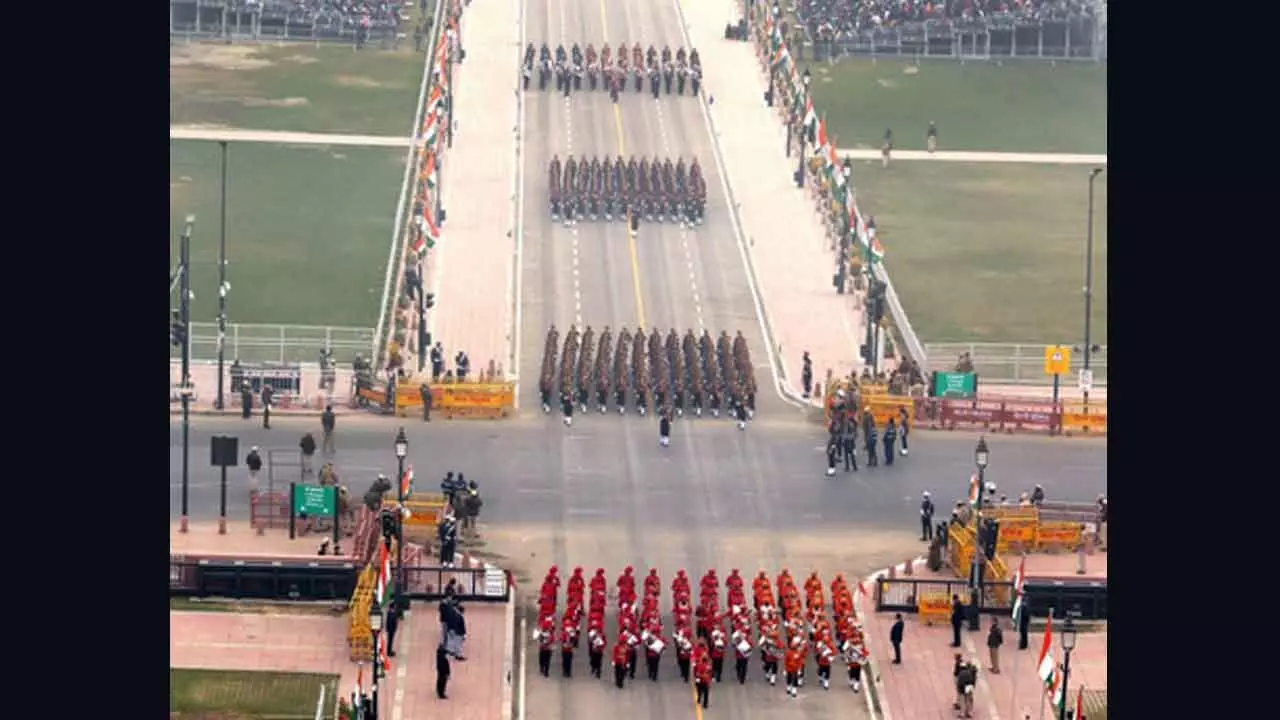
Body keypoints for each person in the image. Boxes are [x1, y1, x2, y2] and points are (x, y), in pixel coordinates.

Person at [694, 640, 713, 708]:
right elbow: (709, 674)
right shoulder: (705, 665)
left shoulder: (703, 665)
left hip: (702, 680)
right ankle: (702, 701)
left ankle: (702, 701)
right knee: (704, 692)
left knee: (700, 690)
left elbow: (697, 673)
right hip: (703, 680)